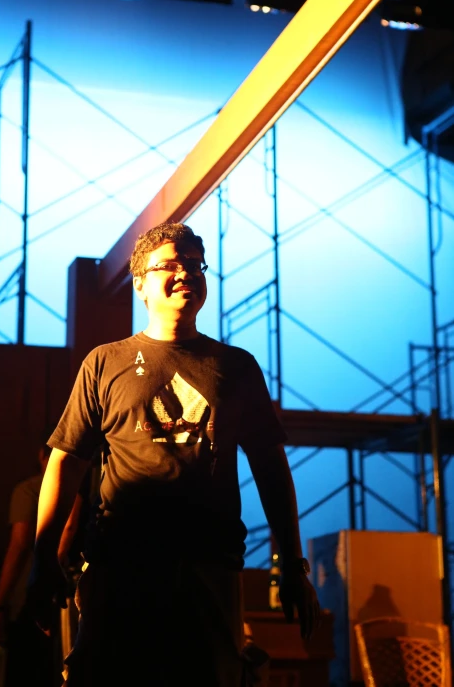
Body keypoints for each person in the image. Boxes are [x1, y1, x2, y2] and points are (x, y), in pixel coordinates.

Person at [29, 222, 320, 687]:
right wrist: (42, 559)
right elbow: (67, 461)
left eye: (194, 264)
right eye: (169, 264)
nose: (185, 271)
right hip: (120, 566)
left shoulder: (236, 367)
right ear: (140, 284)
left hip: (209, 567)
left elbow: (269, 466)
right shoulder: (105, 363)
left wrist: (292, 564)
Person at [0, 443, 83, 687]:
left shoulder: (31, 490)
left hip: (31, 601)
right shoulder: (90, 491)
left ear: (42, 454)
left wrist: (0, 604)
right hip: (78, 604)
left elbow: (19, 547)